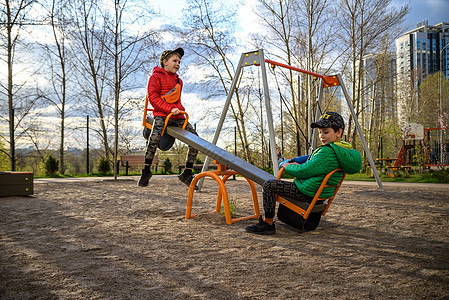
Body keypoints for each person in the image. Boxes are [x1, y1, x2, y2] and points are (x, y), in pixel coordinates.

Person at [245, 111, 362, 235]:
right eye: (320, 132)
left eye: (326, 132)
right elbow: (313, 162)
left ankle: (268, 223)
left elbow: (303, 171)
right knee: (275, 184)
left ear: (339, 132)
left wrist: (287, 166)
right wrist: (296, 161)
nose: (322, 136)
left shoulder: (327, 152)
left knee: (269, 185)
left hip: (306, 192)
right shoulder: (344, 150)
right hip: (319, 193)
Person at [138, 47, 199, 189]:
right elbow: (153, 98)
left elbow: (177, 100)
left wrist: (180, 110)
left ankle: (187, 173)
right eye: (175, 60)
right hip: (162, 114)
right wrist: (169, 108)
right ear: (165, 62)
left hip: (176, 115)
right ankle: (146, 170)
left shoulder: (179, 80)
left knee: (195, 140)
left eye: (179, 61)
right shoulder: (155, 77)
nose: (178, 64)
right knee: (154, 138)